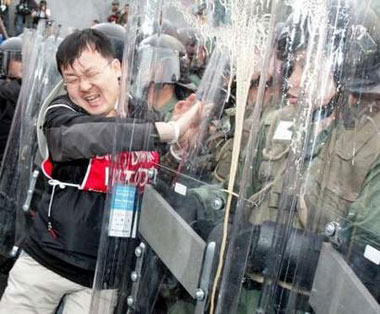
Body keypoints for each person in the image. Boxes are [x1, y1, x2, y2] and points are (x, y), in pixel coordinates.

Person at [0, 28, 201, 314]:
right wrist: (166, 130)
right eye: (72, 79)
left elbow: (154, 184)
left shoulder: (142, 117)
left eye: (91, 73)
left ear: (116, 67)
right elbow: (83, 137)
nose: (84, 87)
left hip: (103, 277)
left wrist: (179, 146)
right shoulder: (61, 112)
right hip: (45, 264)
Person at [0, 36, 22, 162]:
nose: (22, 63)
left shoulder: (30, 86)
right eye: (18, 59)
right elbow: (11, 91)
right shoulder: (4, 87)